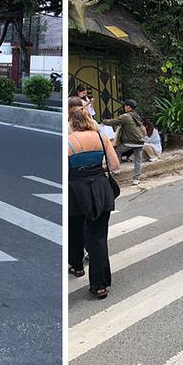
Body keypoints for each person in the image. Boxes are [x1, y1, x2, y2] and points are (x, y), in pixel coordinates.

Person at [68, 107, 120, 300]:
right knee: (98, 239)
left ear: (73, 122)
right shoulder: (100, 138)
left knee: (75, 230)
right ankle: (100, 285)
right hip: (100, 189)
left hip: (76, 192)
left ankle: (77, 265)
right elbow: (114, 166)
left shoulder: (68, 142)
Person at [103, 99, 146, 186]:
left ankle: (116, 169)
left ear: (128, 107)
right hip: (140, 141)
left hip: (130, 141)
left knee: (116, 151)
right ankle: (136, 179)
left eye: (125, 105)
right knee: (138, 160)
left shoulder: (126, 116)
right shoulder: (136, 115)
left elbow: (113, 122)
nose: (124, 107)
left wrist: (103, 121)